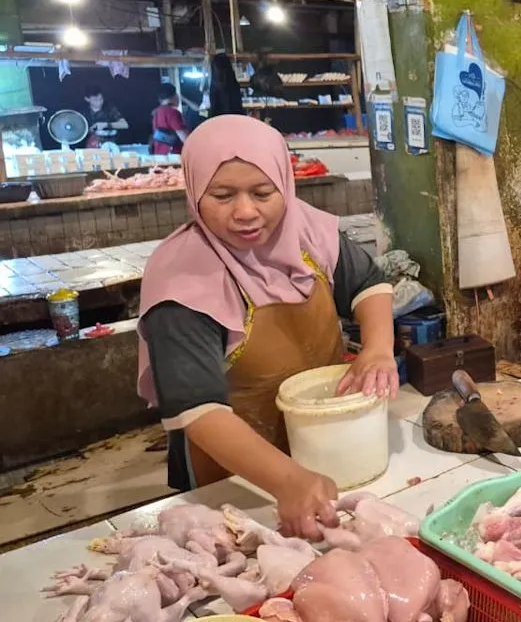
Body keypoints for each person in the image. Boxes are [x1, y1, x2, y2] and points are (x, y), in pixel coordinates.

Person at [136, 115, 397, 540]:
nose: (245, 212)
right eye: (222, 195)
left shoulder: (306, 229)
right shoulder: (182, 280)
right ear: (194, 191)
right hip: (235, 472)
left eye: (262, 193)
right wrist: (287, 480)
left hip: (322, 443)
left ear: (284, 185)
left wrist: (378, 349)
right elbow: (198, 410)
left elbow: (368, 283)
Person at [150, 85, 189, 155]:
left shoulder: (157, 112)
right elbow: (184, 137)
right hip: (173, 155)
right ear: (175, 96)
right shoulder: (172, 112)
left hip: (159, 154)